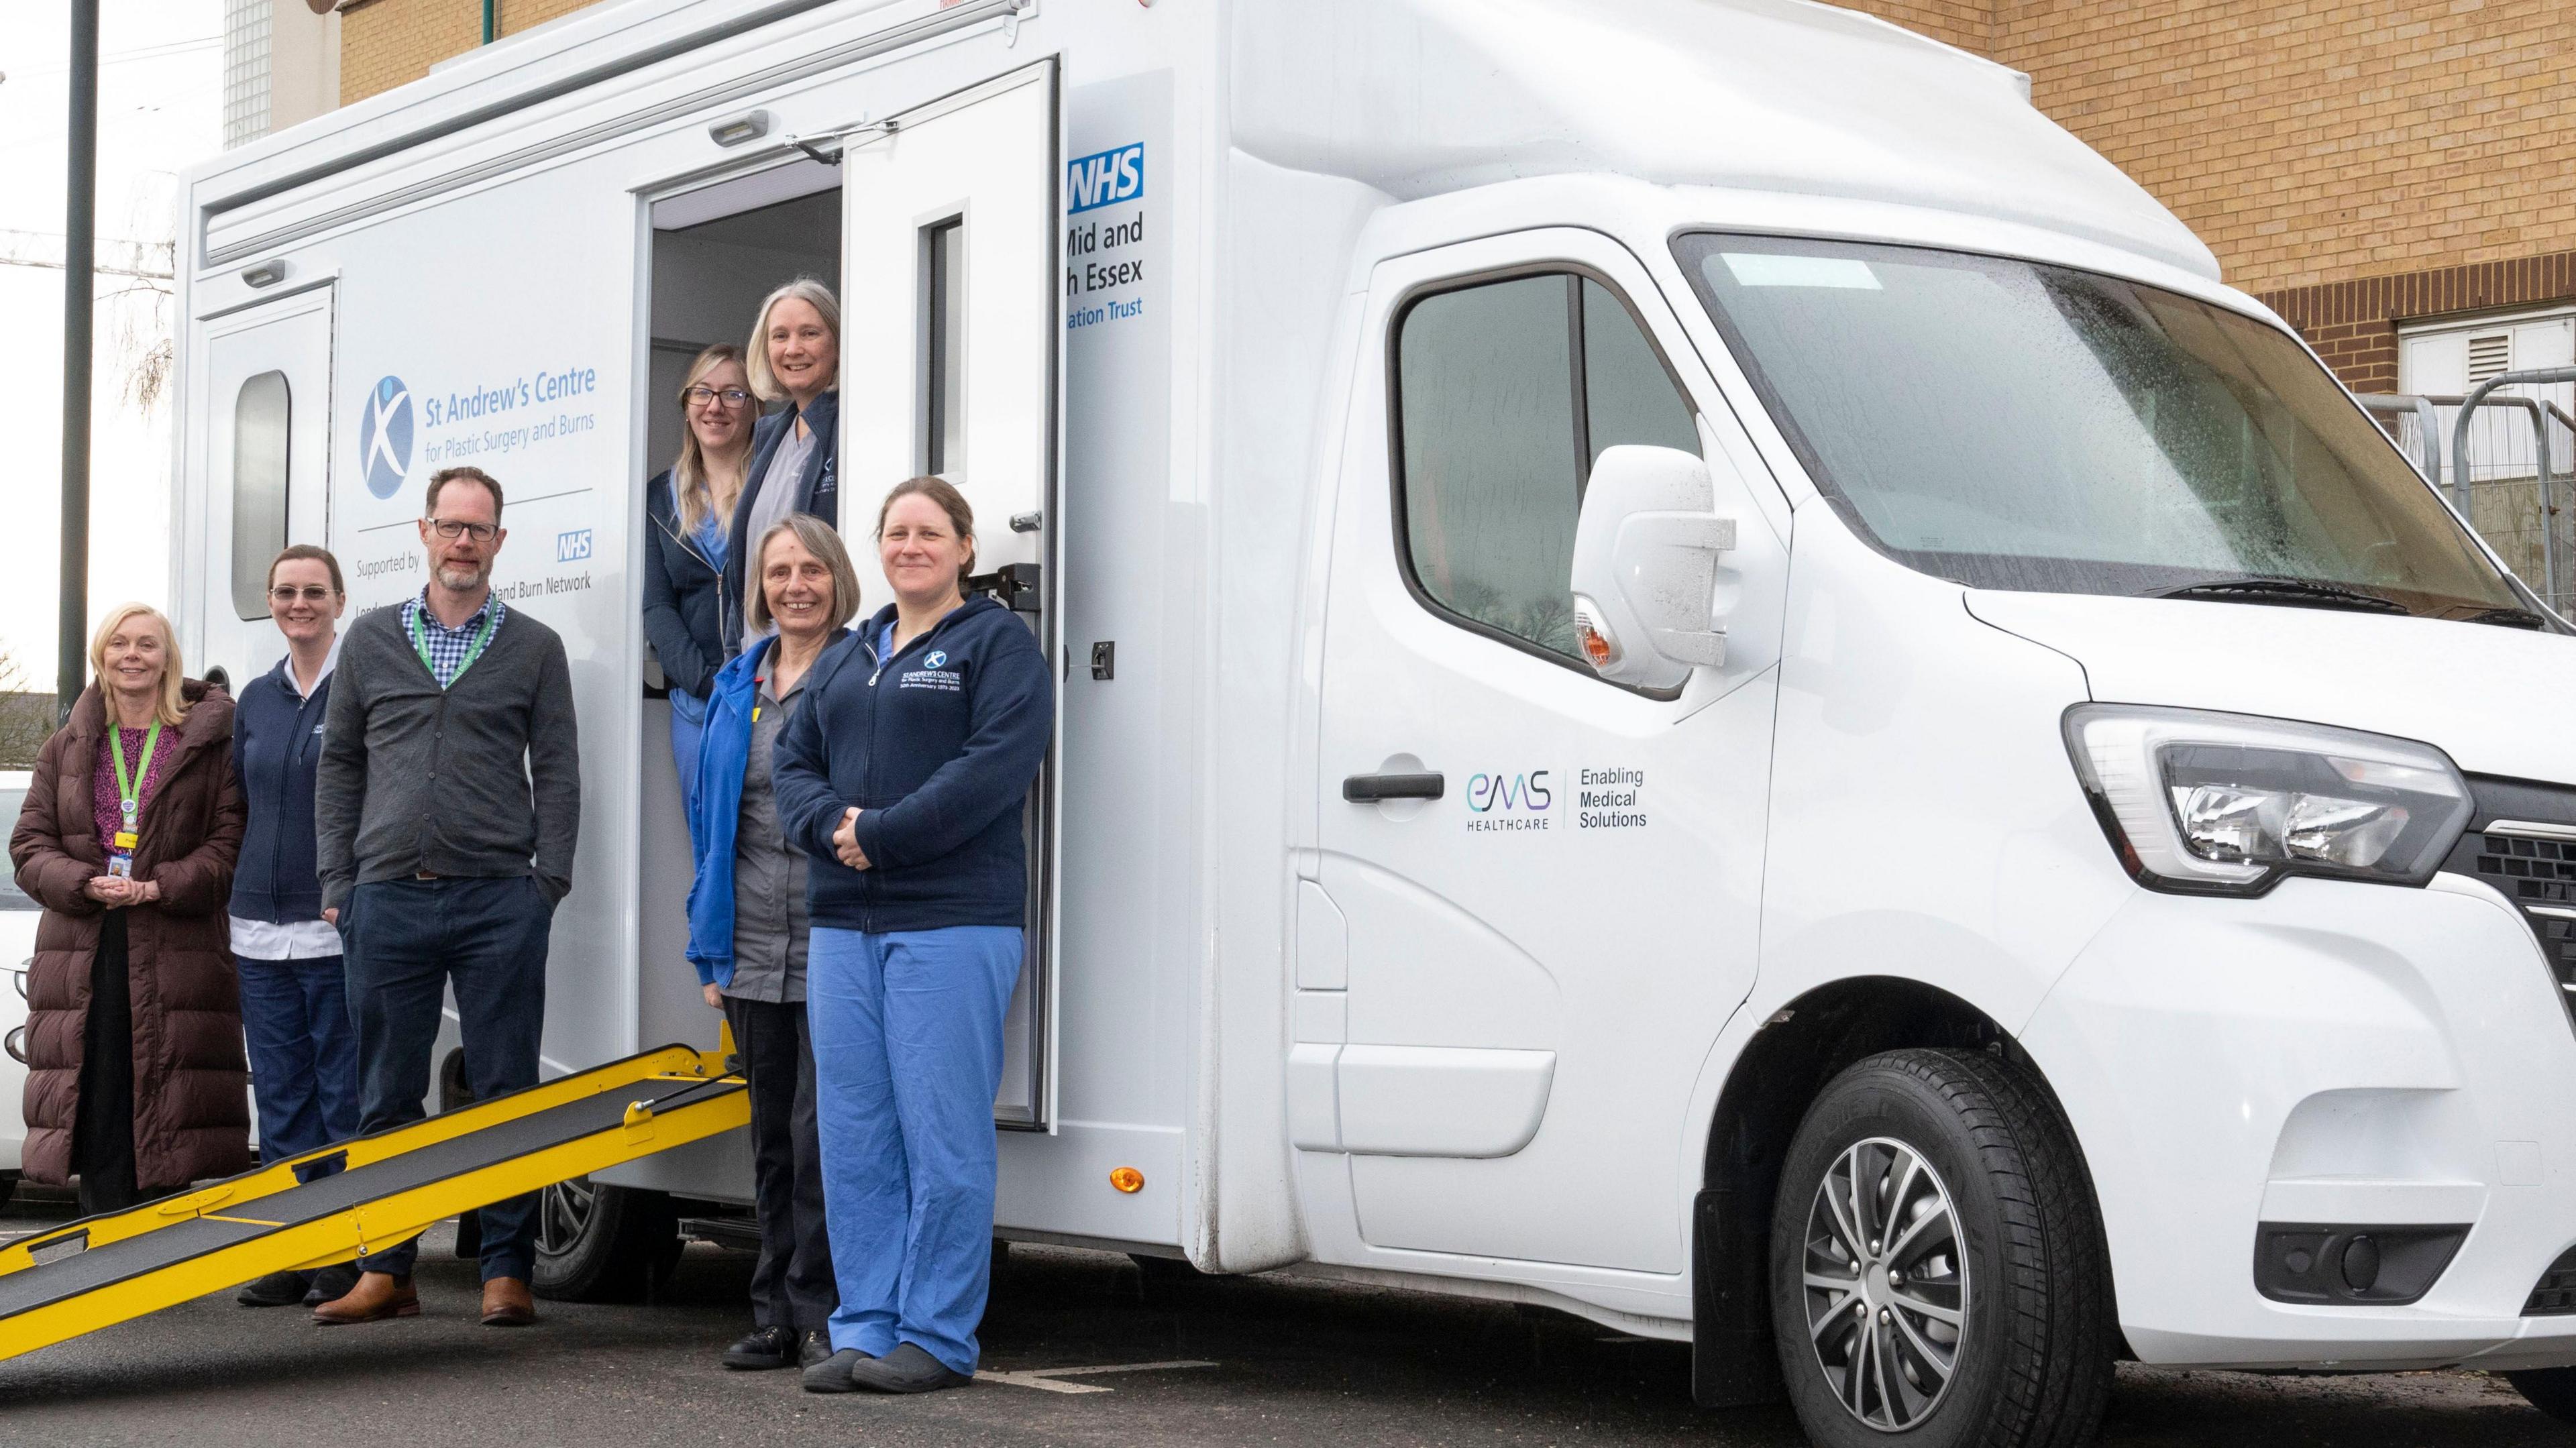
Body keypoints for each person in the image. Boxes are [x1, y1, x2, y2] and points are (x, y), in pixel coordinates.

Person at [772, 476, 1052, 1394]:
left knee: (941, 1133)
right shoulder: (852, 653)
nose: (911, 545)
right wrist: (830, 826)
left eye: (930, 531)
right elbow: (793, 759)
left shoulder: (997, 644)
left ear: (966, 548)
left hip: (951, 920)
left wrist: (877, 834)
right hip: (846, 927)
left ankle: (936, 1333)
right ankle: (866, 1324)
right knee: (855, 1132)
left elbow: (993, 769)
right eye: (896, 532)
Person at [313, 465, 581, 1329]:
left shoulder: (536, 645)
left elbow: (562, 771)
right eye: (449, 525)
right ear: (423, 534)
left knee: (505, 1087)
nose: (463, 541)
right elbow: (340, 764)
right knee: (387, 1092)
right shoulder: (371, 639)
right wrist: (339, 884)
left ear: (500, 541)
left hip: (501, 898)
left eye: (479, 528)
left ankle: (507, 1269)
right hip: (387, 897)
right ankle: (388, 1266)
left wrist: (549, 881)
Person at [686, 514, 858, 1373]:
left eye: (812, 569)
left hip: (838, 934)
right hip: (751, 938)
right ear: (761, 585)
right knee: (772, 1139)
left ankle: (829, 1309)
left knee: (827, 1136)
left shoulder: (862, 671)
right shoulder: (734, 683)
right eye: (780, 569)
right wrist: (710, 950)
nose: (796, 583)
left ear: (838, 578)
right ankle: (775, 1313)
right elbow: (709, 820)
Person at [9, 604, 249, 1217]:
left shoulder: (207, 745)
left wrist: (157, 886)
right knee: (96, 1090)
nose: (132, 655)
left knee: (166, 1088)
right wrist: (84, 881)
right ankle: (102, 1240)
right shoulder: (65, 745)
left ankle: (158, 1250)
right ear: (101, 655)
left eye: (147, 643)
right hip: (85, 945)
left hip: (176, 947)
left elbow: (228, 846)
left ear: (168, 657)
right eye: (119, 644)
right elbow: (29, 844)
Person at [228, 545, 368, 1309]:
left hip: (335, 926)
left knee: (340, 1095)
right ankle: (289, 1248)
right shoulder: (255, 697)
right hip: (257, 927)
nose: (299, 602)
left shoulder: (363, 687)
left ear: (340, 601)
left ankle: (342, 1252)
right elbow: (236, 805)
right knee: (280, 1097)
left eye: (315, 590)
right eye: (286, 591)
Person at [644, 344, 755, 836]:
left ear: (756, 406)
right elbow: (657, 605)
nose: (716, 406)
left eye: (733, 393)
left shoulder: (774, 485)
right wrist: (709, 686)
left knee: (769, 843)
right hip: (696, 705)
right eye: (703, 393)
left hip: (767, 695)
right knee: (709, 850)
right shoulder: (658, 495)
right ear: (687, 406)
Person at [718, 278, 841, 657]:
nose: (793, 349)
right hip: (762, 658)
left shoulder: (852, 427)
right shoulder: (769, 434)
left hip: (824, 655)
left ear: (838, 343)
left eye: (810, 333)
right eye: (780, 336)